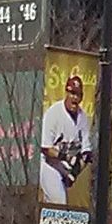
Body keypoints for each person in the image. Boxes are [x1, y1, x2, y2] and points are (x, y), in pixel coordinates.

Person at [37, 73, 92, 202]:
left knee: (51, 208)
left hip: (65, 168)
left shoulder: (82, 118)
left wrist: (74, 173)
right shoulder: (53, 114)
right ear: (66, 93)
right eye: (72, 93)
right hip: (48, 165)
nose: (74, 98)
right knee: (60, 203)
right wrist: (66, 157)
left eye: (77, 94)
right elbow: (45, 148)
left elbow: (87, 154)